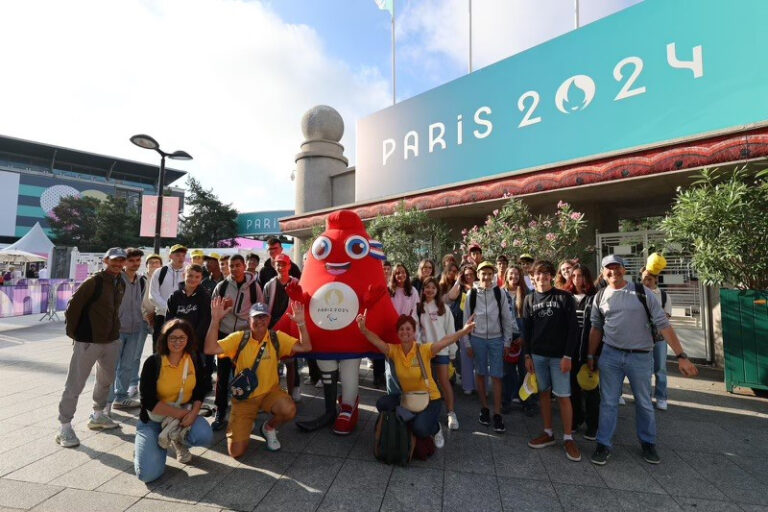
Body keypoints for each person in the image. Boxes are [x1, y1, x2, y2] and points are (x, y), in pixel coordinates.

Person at [587, 255, 698, 466]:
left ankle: (648, 442)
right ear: (602, 273)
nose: (613, 272)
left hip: (640, 356)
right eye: (608, 268)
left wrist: (681, 356)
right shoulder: (600, 296)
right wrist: (591, 355)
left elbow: (664, 325)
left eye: (617, 267)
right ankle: (603, 444)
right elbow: (596, 328)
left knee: (644, 402)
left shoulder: (642, 293)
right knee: (608, 402)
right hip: (610, 355)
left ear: (624, 270)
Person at [205, 298, 312, 458]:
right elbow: (209, 349)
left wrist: (301, 323)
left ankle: (268, 428)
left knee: (288, 410)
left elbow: (306, 347)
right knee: (236, 452)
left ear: (269, 319)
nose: (260, 321)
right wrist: (215, 320)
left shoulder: (277, 338)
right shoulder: (239, 338)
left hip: (270, 393)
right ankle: (245, 422)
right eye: (256, 317)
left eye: (264, 317)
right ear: (249, 320)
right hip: (244, 398)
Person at [357, 312, 475, 452]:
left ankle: (435, 427)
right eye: (401, 329)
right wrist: (363, 329)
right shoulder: (394, 351)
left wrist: (464, 330)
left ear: (414, 333)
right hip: (409, 398)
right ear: (398, 333)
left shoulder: (423, 349)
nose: (405, 332)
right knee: (382, 403)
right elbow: (377, 341)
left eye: (408, 329)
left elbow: (446, 340)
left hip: (431, 399)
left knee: (421, 429)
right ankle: (413, 416)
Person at [56, 248, 127, 447]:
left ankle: (98, 415)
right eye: (114, 260)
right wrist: (76, 335)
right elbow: (72, 307)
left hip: (110, 341)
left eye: (121, 261)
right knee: (75, 384)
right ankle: (64, 427)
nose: (117, 264)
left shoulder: (120, 282)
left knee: (106, 381)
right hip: (88, 341)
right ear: (105, 260)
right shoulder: (93, 282)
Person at [134, 319, 213, 482]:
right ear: (165, 339)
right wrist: (183, 413)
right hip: (154, 419)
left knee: (203, 435)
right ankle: (145, 447)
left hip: (181, 418)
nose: (177, 342)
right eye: (172, 338)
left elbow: (202, 388)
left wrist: (194, 413)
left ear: (188, 339)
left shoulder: (194, 358)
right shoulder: (153, 362)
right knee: (147, 475)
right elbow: (148, 401)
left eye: (181, 338)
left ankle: (177, 440)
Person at [522, 260, 581, 461]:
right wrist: (527, 355)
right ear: (533, 277)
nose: (542, 277)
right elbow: (527, 330)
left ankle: (568, 437)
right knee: (544, 394)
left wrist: (568, 356)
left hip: (559, 358)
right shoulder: (529, 300)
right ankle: (548, 433)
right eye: (538, 274)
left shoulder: (564, 297)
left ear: (552, 276)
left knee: (564, 396)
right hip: (537, 356)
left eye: (546, 274)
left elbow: (573, 330)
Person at [210, 254, 264, 431]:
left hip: (244, 337)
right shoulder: (222, 285)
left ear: (244, 267)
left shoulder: (255, 287)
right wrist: (223, 308)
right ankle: (220, 410)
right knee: (223, 375)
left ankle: (244, 411)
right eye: (231, 266)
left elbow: (259, 311)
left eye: (237, 265)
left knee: (243, 375)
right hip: (225, 335)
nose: (234, 269)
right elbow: (213, 309)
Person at [463, 261, 515, 433]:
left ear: (494, 275)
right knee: (480, 373)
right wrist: (467, 343)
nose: (486, 277)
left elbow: (507, 319)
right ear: (478, 275)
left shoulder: (499, 293)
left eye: (489, 274)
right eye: (483, 273)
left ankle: (497, 413)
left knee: (497, 376)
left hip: (496, 339)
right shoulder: (471, 293)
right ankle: (485, 408)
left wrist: (507, 341)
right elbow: (466, 321)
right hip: (477, 339)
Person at [417, 277, 459, 430]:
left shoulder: (444, 308)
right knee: (427, 383)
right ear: (423, 290)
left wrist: (452, 352)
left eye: (433, 288)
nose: (430, 290)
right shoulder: (419, 307)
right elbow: (416, 330)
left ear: (437, 290)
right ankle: (427, 411)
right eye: (427, 287)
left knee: (444, 382)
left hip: (442, 351)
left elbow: (451, 331)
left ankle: (451, 412)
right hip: (425, 352)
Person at [563, 263, 599, 440]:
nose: (577, 279)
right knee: (573, 388)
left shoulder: (595, 297)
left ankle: (593, 425)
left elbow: (598, 326)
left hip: (587, 350)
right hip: (570, 350)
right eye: (574, 275)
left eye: (581, 275)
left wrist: (593, 353)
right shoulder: (566, 296)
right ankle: (576, 420)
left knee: (591, 388)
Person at [108, 248, 146, 412]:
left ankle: (121, 397)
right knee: (110, 367)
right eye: (132, 261)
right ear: (124, 262)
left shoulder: (141, 280)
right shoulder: (116, 279)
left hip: (135, 328)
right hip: (116, 329)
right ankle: (105, 403)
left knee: (127, 366)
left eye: (138, 261)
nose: (135, 264)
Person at [166, 264, 213, 395]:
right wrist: (172, 338)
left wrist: (193, 339)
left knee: (196, 369)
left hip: (196, 342)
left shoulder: (204, 296)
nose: (193, 279)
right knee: (177, 368)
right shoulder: (174, 296)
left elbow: (205, 320)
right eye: (190, 275)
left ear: (201, 278)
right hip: (177, 341)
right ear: (184, 275)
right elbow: (169, 320)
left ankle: (195, 395)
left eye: (197, 277)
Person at [262, 253, 302, 402]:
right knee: (273, 363)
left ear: (289, 266)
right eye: (278, 264)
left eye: (284, 264)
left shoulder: (297, 283)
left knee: (291, 363)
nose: (281, 267)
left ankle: (292, 394)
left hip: (291, 327)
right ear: (274, 266)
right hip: (273, 327)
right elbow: (265, 308)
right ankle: (275, 394)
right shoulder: (269, 285)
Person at [500, 265, 534, 416]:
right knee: (507, 373)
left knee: (525, 371)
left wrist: (524, 337)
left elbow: (531, 319)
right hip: (506, 336)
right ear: (506, 276)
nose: (514, 277)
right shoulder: (500, 293)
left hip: (523, 336)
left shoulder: (528, 293)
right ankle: (506, 401)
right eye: (511, 274)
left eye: (516, 274)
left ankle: (527, 402)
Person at [641, 267, 672, 410]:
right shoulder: (638, 294)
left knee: (660, 368)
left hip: (659, 338)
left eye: (649, 279)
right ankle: (644, 397)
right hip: (641, 338)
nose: (645, 282)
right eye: (643, 278)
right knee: (644, 369)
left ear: (656, 280)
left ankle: (661, 397)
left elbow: (665, 317)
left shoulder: (664, 296)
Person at [444, 264, 477, 396]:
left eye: (471, 274)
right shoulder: (460, 287)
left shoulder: (478, 287)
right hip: (460, 324)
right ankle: (467, 384)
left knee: (477, 356)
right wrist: (459, 280)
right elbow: (451, 296)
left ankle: (477, 384)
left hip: (476, 324)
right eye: (466, 274)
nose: (469, 277)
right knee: (463, 356)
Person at [149, 244, 188, 344]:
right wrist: (169, 309)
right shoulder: (160, 272)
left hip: (182, 318)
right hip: (162, 317)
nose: (181, 258)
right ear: (170, 256)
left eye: (183, 255)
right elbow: (153, 295)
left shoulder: (188, 272)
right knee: (159, 350)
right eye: (178, 255)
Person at [138, 253, 163, 398]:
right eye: (151, 262)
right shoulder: (141, 279)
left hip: (158, 317)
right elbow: (137, 299)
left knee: (157, 351)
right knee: (135, 354)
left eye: (157, 262)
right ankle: (133, 384)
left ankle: (156, 380)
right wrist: (145, 315)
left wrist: (156, 313)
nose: (154, 265)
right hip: (141, 319)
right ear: (146, 264)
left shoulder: (163, 278)